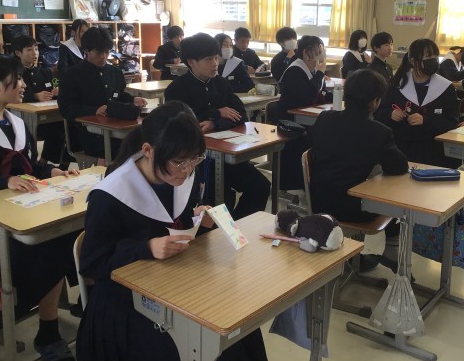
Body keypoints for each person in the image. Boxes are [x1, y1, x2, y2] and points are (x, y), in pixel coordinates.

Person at [76, 101, 269, 361]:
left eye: (195, 160)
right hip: (127, 300)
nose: (187, 170)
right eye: (179, 162)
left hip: (175, 280)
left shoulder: (181, 173)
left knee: (238, 327)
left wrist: (197, 219)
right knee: (200, 348)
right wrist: (146, 248)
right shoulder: (111, 194)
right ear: (148, 150)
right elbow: (92, 262)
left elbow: (177, 222)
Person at [0, 55, 80, 361]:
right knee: (48, 245)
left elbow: (29, 165)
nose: (24, 85)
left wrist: (54, 171)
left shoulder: (13, 121)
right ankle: (48, 331)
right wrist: (5, 181)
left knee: (71, 232)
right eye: (18, 79)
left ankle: (55, 320)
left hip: (23, 207)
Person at [164, 33, 270, 219]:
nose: (215, 63)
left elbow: (240, 115)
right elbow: (182, 124)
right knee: (219, 198)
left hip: (227, 153)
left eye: (215, 58)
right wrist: (217, 112)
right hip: (197, 160)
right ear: (191, 62)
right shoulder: (177, 89)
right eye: (208, 59)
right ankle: (222, 230)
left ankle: (237, 226)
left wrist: (215, 122)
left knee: (260, 186)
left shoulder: (220, 83)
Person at [310, 69, 408, 270]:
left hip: (317, 201)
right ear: (374, 102)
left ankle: (352, 254)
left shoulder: (324, 118)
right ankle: (391, 249)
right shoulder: (379, 132)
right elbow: (400, 167)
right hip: (354, 210)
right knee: (395, 194)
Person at [57, 27, 147, 159]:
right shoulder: (72, 75)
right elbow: (66, 108)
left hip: (116, 126)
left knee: (146, 142)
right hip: (89, 134)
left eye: (107, 52)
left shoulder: (115, 72)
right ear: (86, 50)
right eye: (98, 52)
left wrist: (133, 100)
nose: (103, 56)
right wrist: (94, 110)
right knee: (128, 150)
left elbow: (118, 95)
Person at [378, 38, 460, 168]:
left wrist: (426, 120)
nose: (433, 60)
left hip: (433, 152)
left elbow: (452, 122)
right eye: (428, 57)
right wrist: (390, 114)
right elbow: (379, 112)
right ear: (413, 61)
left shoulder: (445, 87)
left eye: (435, 56)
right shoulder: (397, 84)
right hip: (401, 149)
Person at [274, 35, 330, 190]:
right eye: (317, 51)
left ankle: (316, 181)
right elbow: (307, 96)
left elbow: (322, 93)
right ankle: (301, 184)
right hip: (290, 122)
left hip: (306, 118)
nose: (321, 55)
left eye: (321, 51)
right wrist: (320, 74)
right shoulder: (295, 70)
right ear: (306, 53)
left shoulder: (312, 70)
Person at [12, 35, 70, 167]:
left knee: (69, 127)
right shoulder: (14, 73)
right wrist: (35, 96)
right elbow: (12, 96)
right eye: (29, 50)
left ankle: (61, 163)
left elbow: (50, 94)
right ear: (18, 53)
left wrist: (56, 93)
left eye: (36, 49)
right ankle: (42, 163)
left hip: (47, 115)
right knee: (56, 132)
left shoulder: (45, 72)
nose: (35, 53)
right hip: (24, 117)